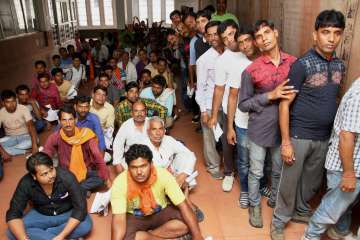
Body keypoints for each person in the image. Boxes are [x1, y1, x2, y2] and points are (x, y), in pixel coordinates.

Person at [271, 10, 346, 240]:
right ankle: (279, 221)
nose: (331, 38)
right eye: (325, 32)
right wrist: (286, 142)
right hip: (299, 135)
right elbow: (284, 105)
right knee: (289, 182)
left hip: (324, 137)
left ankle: (300, 210)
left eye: (336, 33)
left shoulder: (340, 66)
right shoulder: (302, 64)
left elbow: (332, 98)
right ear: (315, 35)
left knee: (312, 182)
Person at [238, 20, 297, 228]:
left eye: (267, 33)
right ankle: (254, 205)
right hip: (259, 129)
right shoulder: (251, 70)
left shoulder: (293, 63)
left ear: (276, 33)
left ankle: (275, 201)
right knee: (256, 171)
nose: (264, 38)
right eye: (259, 37)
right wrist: (269, 96)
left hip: (284, 131)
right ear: (257, 43)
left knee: (279, 169)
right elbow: (243, 105)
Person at [301, 78, 360, 240]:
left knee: (344, 203)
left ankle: (340, 231)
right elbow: (346, 137)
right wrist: (349, 174)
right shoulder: (359, 95)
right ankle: (310, 237)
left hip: (352, 164)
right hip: (347, 166)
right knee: (332, 208)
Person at [111, 144, 204, 240]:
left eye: (143, 166)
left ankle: (146, 236)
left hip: (160, 211)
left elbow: (183, 205)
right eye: (134, 167)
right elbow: (118, 220)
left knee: (189, 224)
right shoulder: (120, 183)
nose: (139, 172)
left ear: (151, 164)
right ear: (128, 167)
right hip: (136, 217)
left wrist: (197, 236)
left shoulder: (163, 174)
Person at [6, 152, 92, 240]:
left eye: (51, 169)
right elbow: (13, 214)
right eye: (44, 174)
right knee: (11, 232)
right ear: (34, 176)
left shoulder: (67, 177)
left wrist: (62, 236)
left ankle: (42, 234)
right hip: (42, 215)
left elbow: (80, 208)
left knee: (85, 226)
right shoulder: (26, 183)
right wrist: (23, 238)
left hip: (67, 213)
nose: (51, 175)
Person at [207, 20, 241, 193]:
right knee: (229, 143)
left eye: (231, 34)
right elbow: (218, 89)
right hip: (231, 109)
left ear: (236, 30)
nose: (229, 39)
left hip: (253, 110)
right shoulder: (222, 61)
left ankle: (247, 174)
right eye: (224, 37)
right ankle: (229, 172)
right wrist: (213, 115)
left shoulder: (250, 51)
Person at [43, 106, 110, 193]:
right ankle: (83, 189)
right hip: (66, 173)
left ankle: (76, 189)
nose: (68, 123)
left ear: (76, 120)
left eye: (70, 119)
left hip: (85, 170)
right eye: (64, 120)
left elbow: (97, 155)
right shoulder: (55, 137)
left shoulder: (86, 134)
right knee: (54, 178)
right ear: (59, 121)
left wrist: (106, 178)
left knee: (102, 176)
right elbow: (46, 153)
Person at [195, 21, 224, 180]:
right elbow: (200, 87)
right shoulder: (203, 60)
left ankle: (228, 166)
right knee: (209, 137)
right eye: (209, 35)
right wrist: (203, 111)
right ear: (205, 37)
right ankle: (213, 166)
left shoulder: (230, 54)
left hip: (227, 105)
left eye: (216, 33)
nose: (213, 37)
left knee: (226, 136)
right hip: (209, 105)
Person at [113, 101, 149, 174]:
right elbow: (118, 144)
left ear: (146, 112)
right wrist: (117, 163)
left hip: (149, 157)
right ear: (132, 113)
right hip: (131, 157)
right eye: (136, 111)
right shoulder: (126, 125)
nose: (139, 114)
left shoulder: (151, 123)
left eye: (142, 111)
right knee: (123, 175)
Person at [0, 90, 38, 160]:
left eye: (13, 101)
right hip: (10, 138)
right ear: (3, 103)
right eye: (8, 102)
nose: (12, 104)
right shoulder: (1, 113)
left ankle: (12, 151)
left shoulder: (23, 108)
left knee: (35, 141)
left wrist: (34, 146)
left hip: (25, 136)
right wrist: (3, 152)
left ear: (16, 100)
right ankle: (26, 151)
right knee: (2, 149)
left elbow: (31, 127)